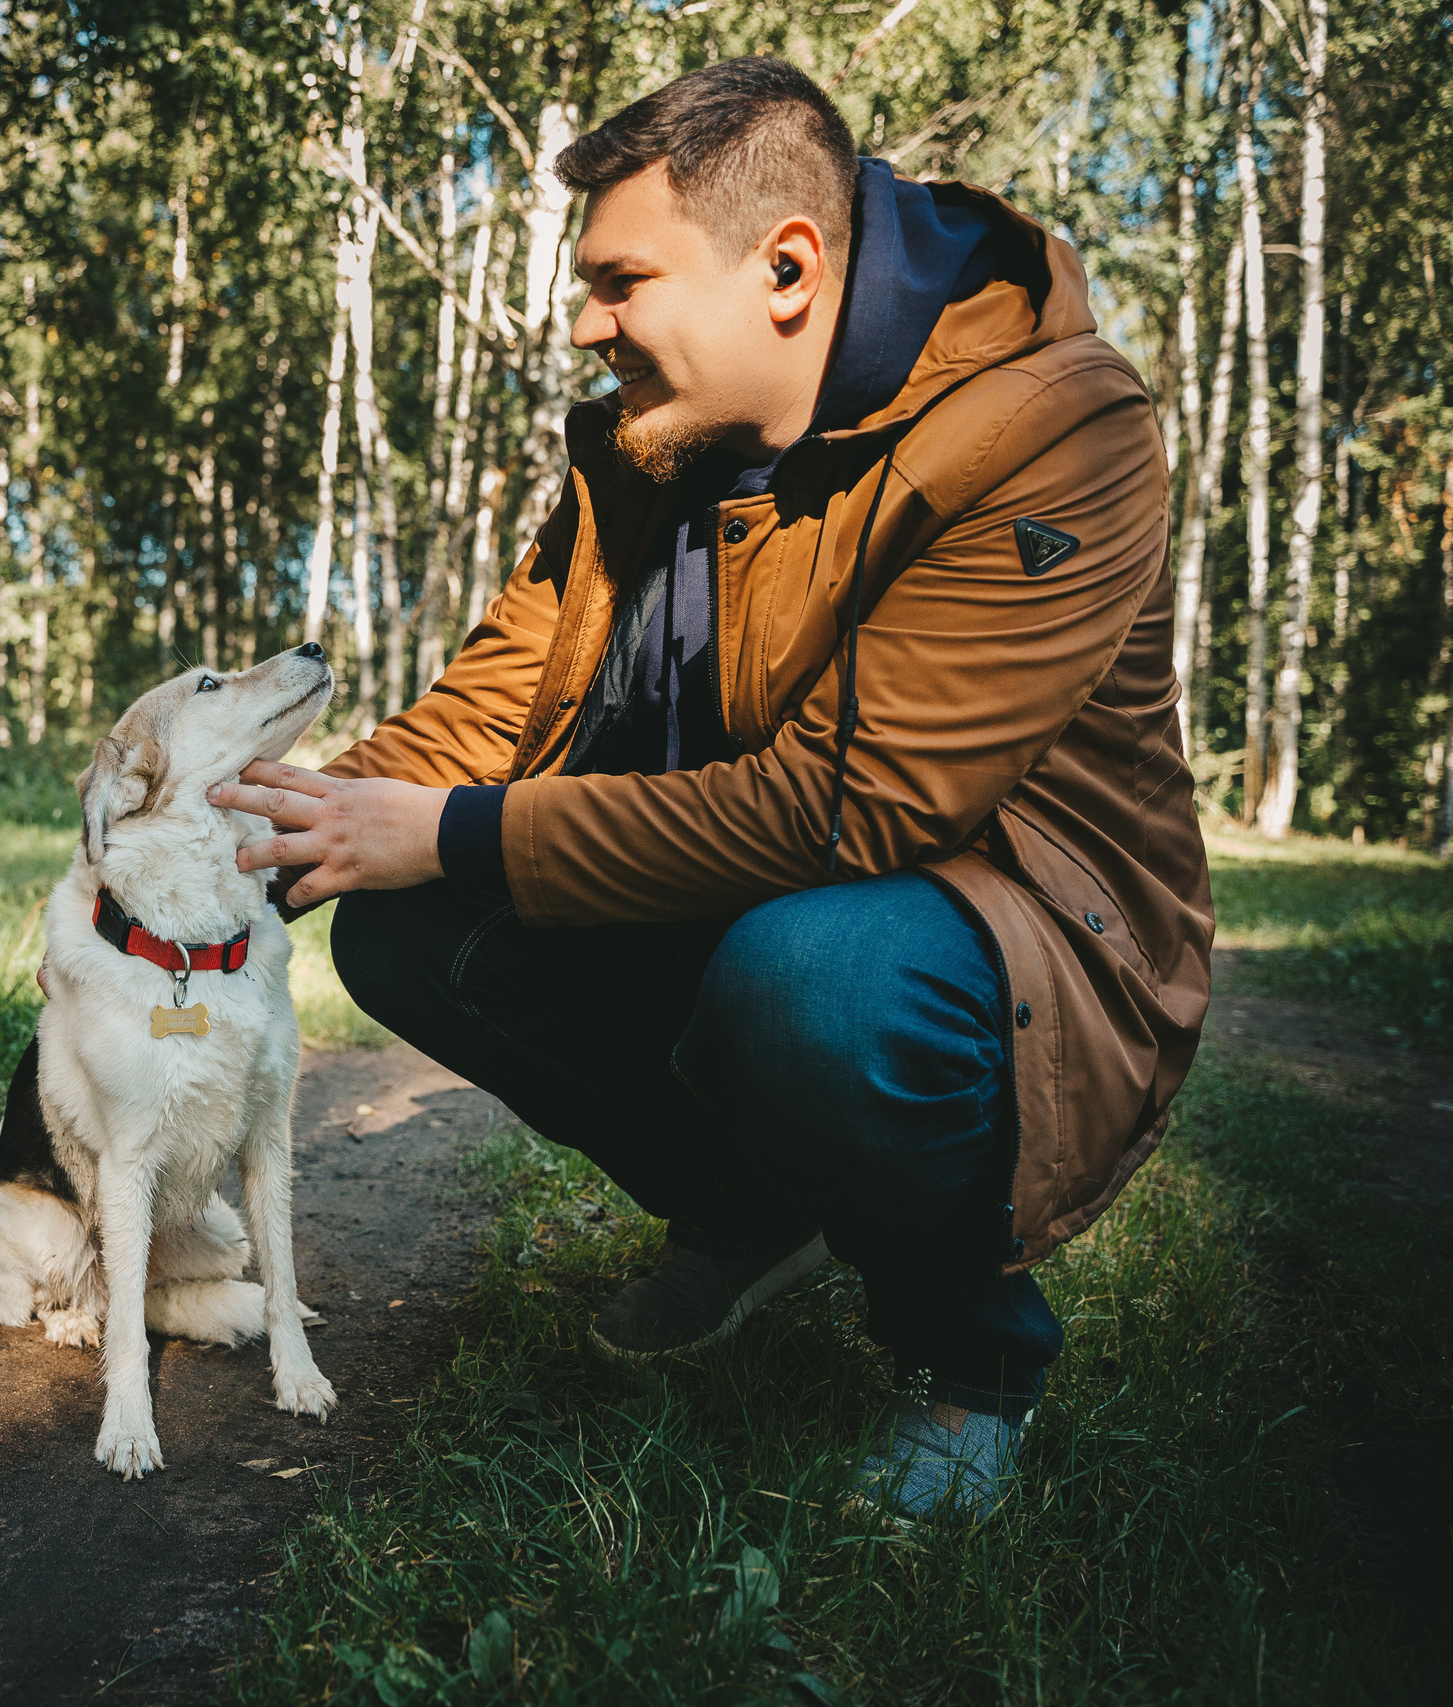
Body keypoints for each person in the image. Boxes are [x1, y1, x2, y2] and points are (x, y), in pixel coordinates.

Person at [213, 58, 1211, 1518]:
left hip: (1011, 938)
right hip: (753, 883)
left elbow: (860, 804)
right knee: (407, 925)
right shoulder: (655, 444)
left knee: (809, 979)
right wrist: (266, 825)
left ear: (788, 269)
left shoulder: (1052, 430)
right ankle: (748, 1210)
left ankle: (972, 1359)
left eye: (622, 281)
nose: (584, 322)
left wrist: (454, 830)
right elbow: (508, 687)